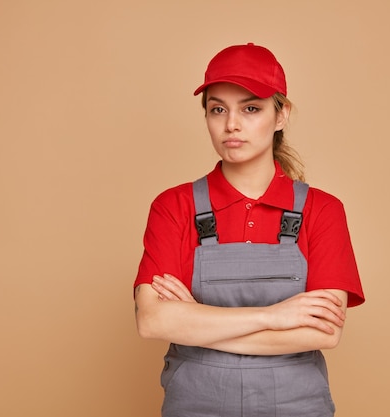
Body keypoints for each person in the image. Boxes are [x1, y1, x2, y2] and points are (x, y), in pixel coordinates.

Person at [134, 42, 365, 417]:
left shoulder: (323, 210)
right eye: (217, 109)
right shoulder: (173, 206)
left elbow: (323, 332)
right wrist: (273, 316)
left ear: (281, 115)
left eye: (251, 108)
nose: (231, 125)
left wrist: (197, 320)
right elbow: (152, 320)